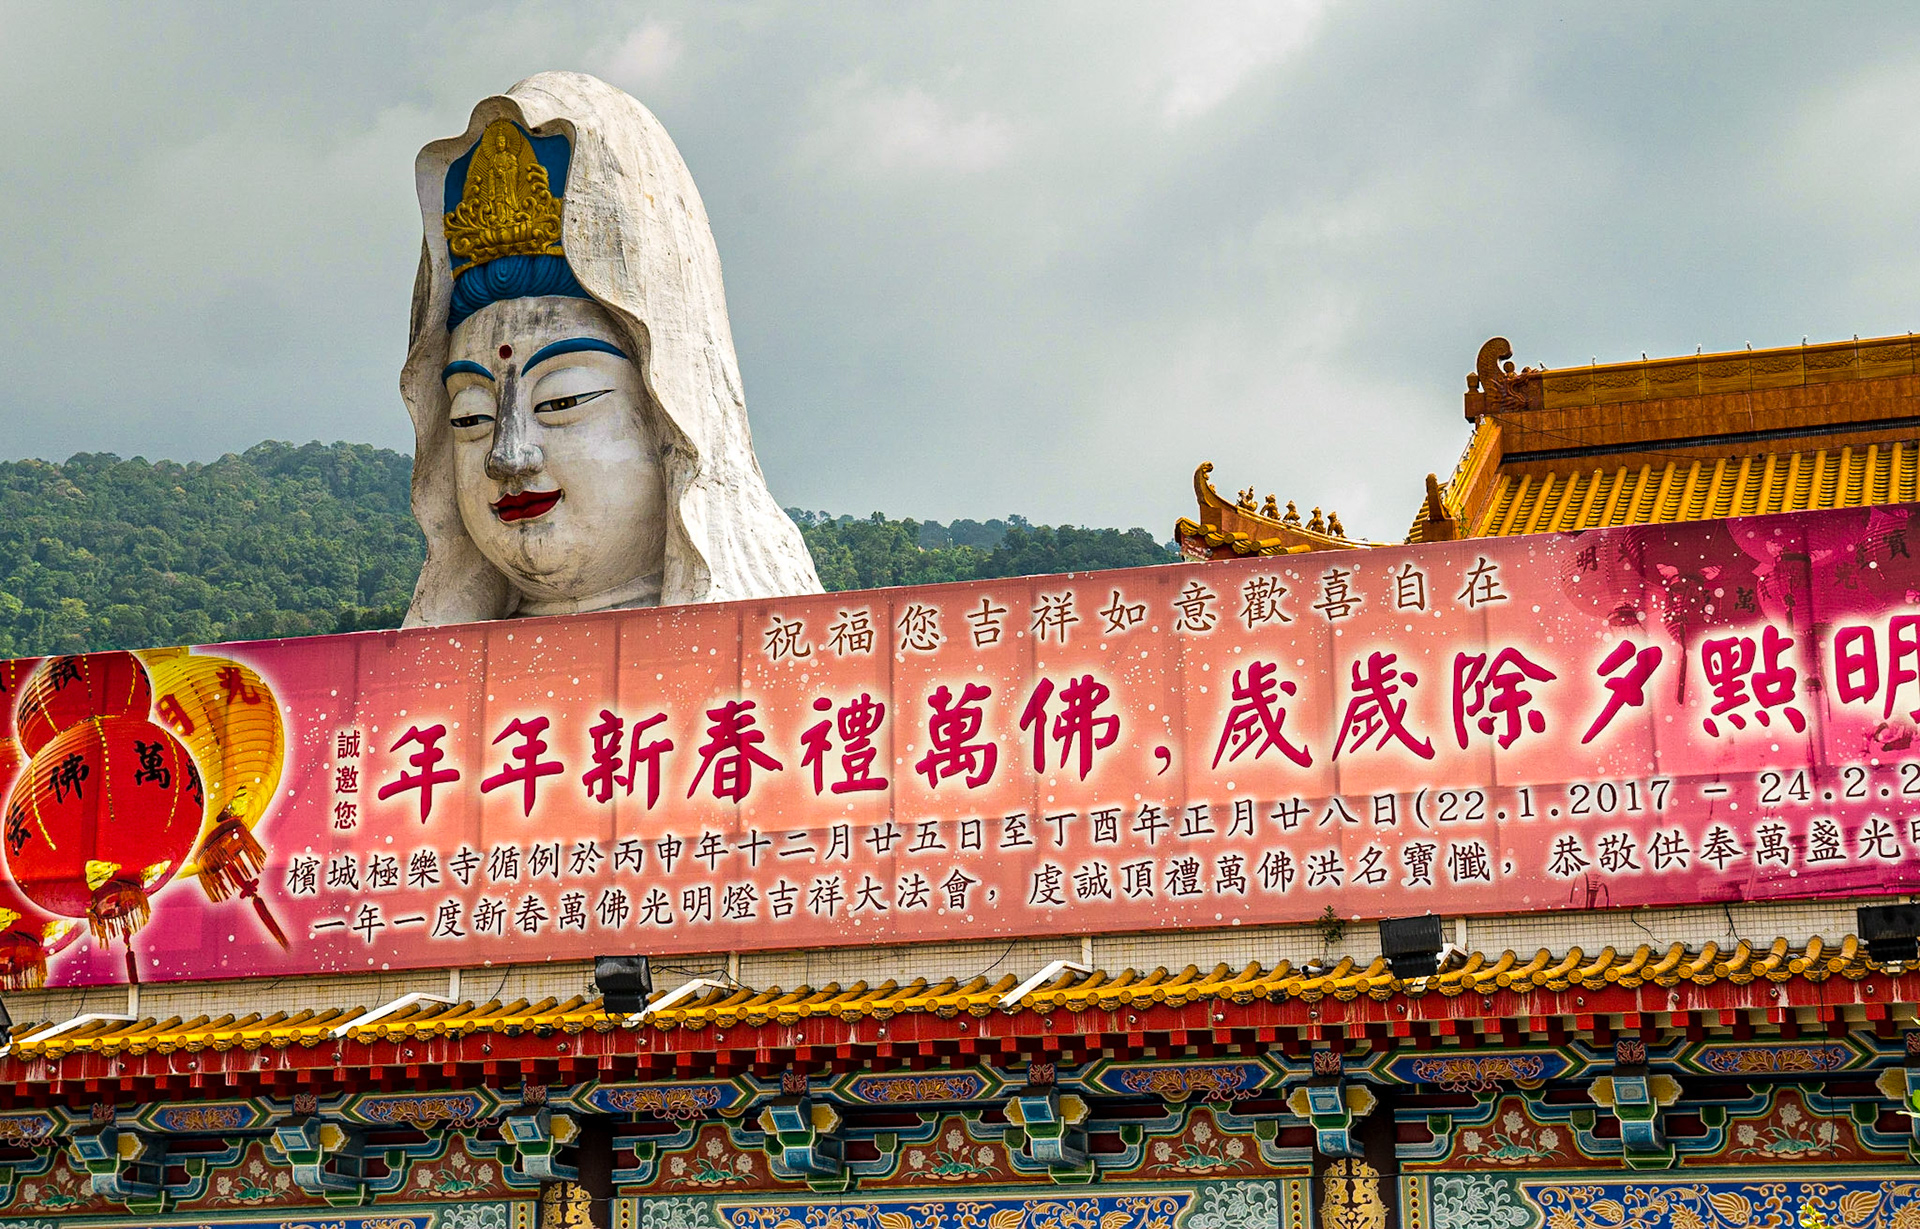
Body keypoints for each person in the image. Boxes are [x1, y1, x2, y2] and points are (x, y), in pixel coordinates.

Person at [400, 72, 821, 626]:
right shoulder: (410, 704)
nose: (508, 456)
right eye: (471, 418)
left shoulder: (801, 683)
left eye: (562, 401)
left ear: (668, 415)